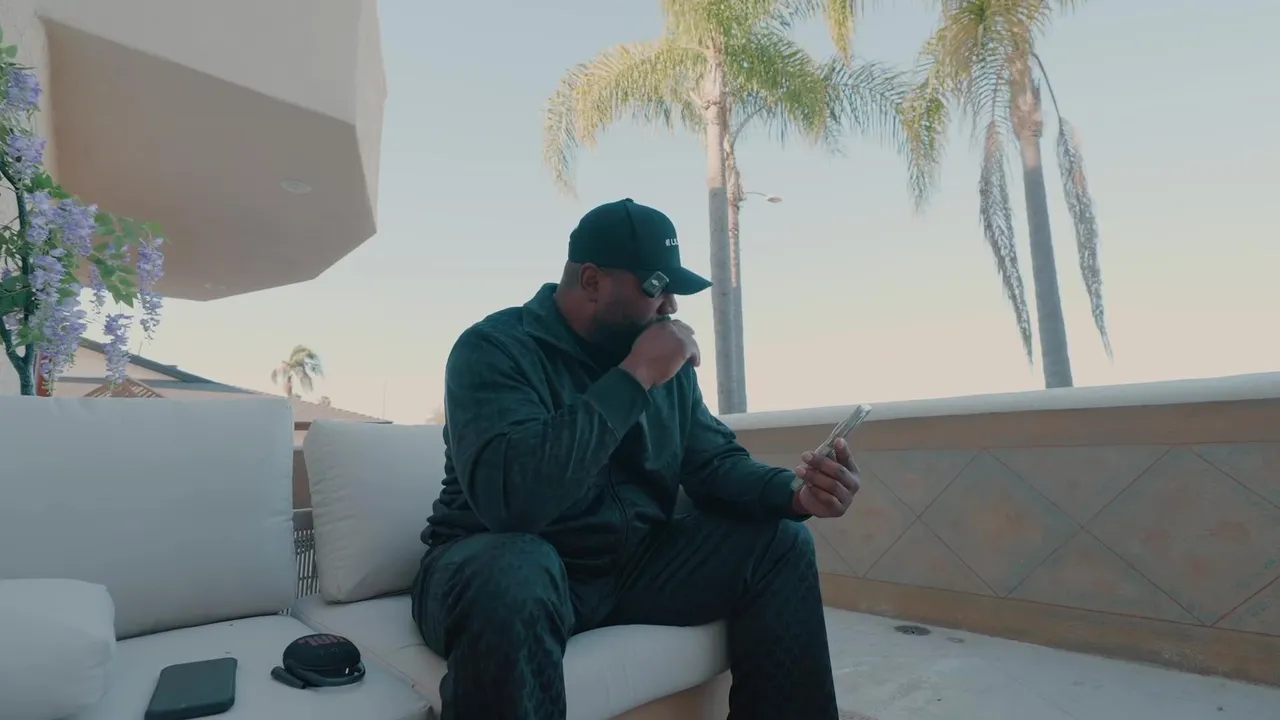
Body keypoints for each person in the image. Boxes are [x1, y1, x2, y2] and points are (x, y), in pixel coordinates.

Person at [411, 198, 862, 720]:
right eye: (656, 287)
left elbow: (713, 463)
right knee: (516, 570)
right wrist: (635, 376)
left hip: (628, 568)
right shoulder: (495, 349)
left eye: (674, 289)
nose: (670, 305)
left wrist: (795, 493)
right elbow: (512, 501)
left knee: (781, 541)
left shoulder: (665, 365)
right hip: (495, 567)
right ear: (592, 281)